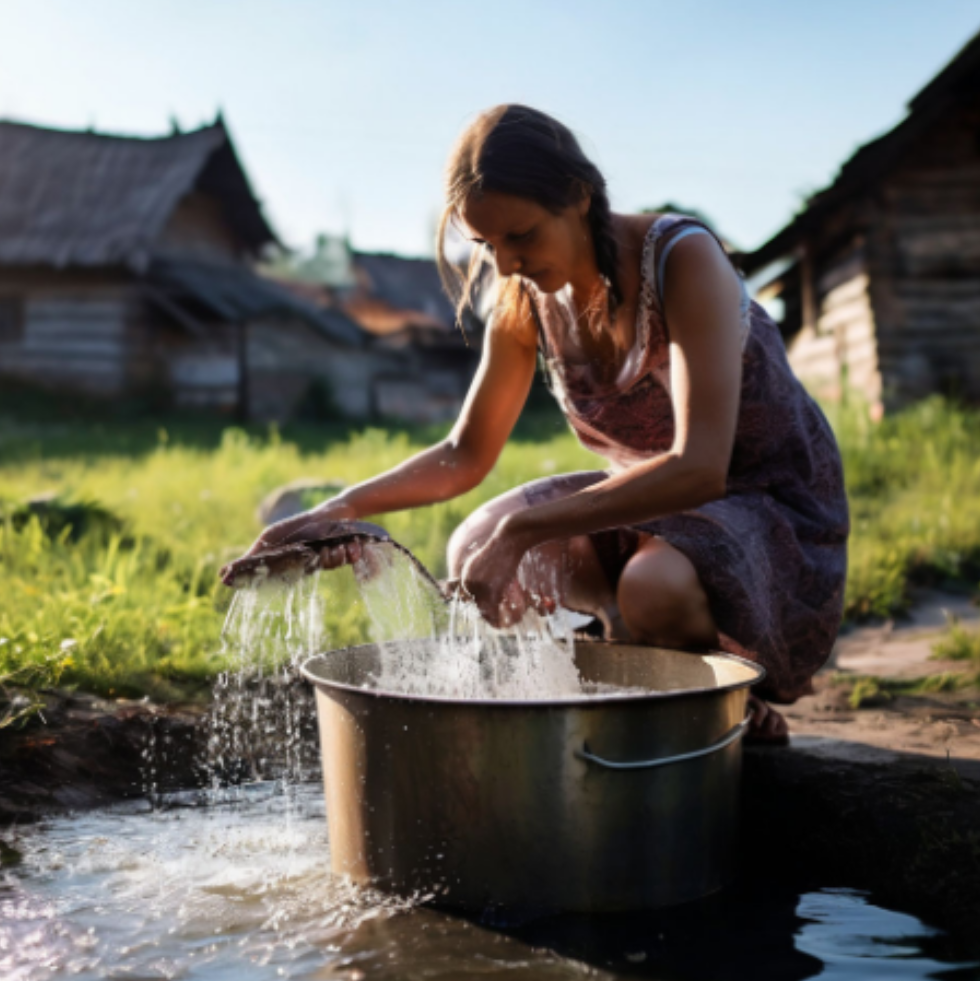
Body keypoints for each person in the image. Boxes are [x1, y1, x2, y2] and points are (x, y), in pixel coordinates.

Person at [229, 104, 849, 742]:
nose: (505, 264)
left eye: (521, 236)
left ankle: (722, 699)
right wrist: (339, 509)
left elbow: (700, 466)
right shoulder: (524, 296)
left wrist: (522, 530)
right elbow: (464, 453)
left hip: (765, 504)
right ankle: (612, 677)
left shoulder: (683, 260)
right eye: (486, 245)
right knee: (475, 547)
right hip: (650, 507)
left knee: (650, 584)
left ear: (579, 197)